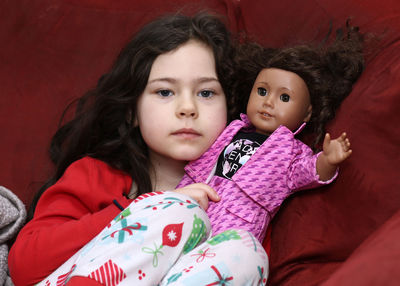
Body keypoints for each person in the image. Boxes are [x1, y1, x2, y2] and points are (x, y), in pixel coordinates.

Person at [9, 12, 268, 286]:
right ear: (133, 111)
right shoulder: (95, 174)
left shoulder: (246, 192)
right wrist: (139, 210)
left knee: (246, 251)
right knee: (180, 212)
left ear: (228, 107)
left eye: (206, 93)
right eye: (165, 92)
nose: (188, 108)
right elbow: (24, 266)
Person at [177, 23, 364, 242]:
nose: (268, 102)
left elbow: (307, 172)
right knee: (167, 234)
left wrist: (328, 160)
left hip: (238, 215)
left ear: (306, 113)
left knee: (216, 253)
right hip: (196, 195)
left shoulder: (290, 151)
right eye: (262, 91)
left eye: (284, 98)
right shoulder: (233, 127)